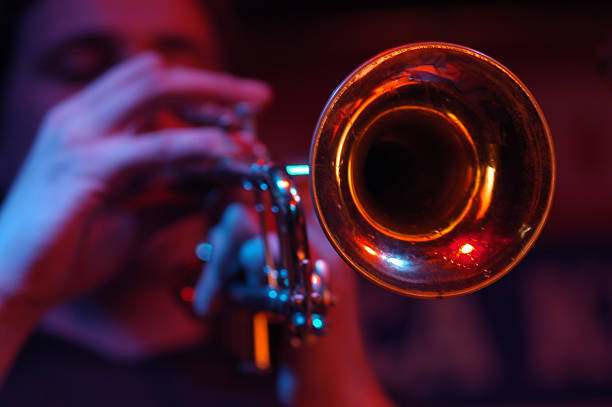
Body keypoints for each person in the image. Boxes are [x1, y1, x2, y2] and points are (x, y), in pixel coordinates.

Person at [0, 0, 393, 405]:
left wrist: (331, 368)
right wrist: (9, 287)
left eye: (182, 74)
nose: (145, 100)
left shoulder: (317, 366)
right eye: (82, 69)